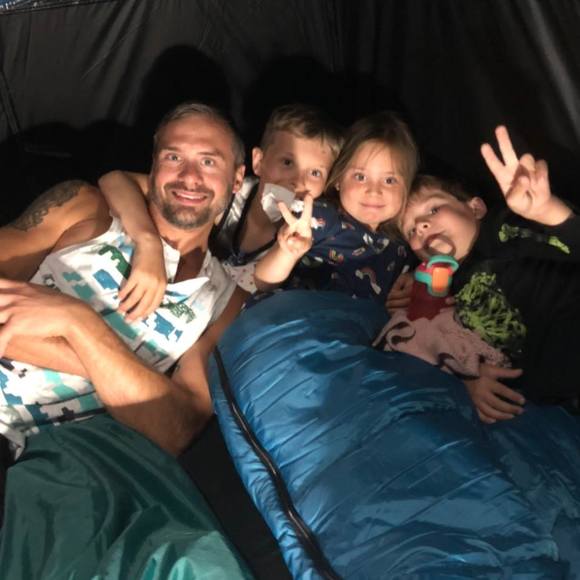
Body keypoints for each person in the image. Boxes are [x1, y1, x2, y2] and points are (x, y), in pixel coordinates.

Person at [0, 101, 248, 460]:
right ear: (154, 164)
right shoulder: (84, 207)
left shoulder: (225, 300)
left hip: (57, 466)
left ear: (237, 179)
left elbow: (174, 429)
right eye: (174, 157)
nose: (189, 177)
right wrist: (118, 370)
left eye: (209, 162)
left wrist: (77, 321)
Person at [398, 125, 580, 423]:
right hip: (556, 398)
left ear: (475, 208)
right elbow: (441, 347)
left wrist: (547, 212)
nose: (421, 226)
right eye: (410, 231)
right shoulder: (441, 291)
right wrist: (470, 379)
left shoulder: (501, 229)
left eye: (432, 210)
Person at [98, 103, 343, 318]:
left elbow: (260, 285)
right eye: (287, 162)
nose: (297, 181)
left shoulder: (309, 226)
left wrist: (287, 252)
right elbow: (115, 180)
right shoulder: (227, 191)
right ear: (258, 162)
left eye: (315, 173)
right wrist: (147, 241)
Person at [254, 111, 418, 305]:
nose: (374, 191)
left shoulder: (402, 243)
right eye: (360, 177)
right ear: (339, 179)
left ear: (406, 187)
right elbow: (263, 282)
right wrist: (287, 253)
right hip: (294, 317)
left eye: (390, 180)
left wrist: (415, 278)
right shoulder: (319, 218)